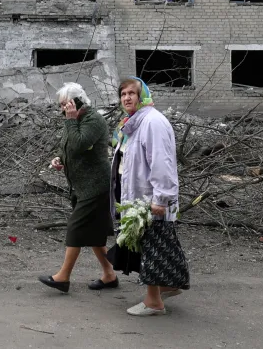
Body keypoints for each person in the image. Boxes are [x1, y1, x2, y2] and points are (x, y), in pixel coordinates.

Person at [111, 77, 190, 316]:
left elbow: (162, 163)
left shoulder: (152, 122)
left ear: (143, 95)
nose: (126, 97)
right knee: (160, 246)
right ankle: (169, 284)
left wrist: (161, 198)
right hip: (139, 197)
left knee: (152, 249)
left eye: (131, 93)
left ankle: (154, 302)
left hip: (150, 199)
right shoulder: (134, 123)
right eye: (123, 93)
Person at [38, 82, 117, 293]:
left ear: (78, 101)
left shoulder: (94, 120)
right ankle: (109, 274)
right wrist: (59, 158)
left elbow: (79, 144)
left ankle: (63, 277)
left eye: (66, 104)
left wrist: (70, 121)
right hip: (81, 186)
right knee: (92, 233)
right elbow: (68, 147)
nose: (63, 109)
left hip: (95, 185)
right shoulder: (74, 120)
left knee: (75, 228)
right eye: (62, 105)